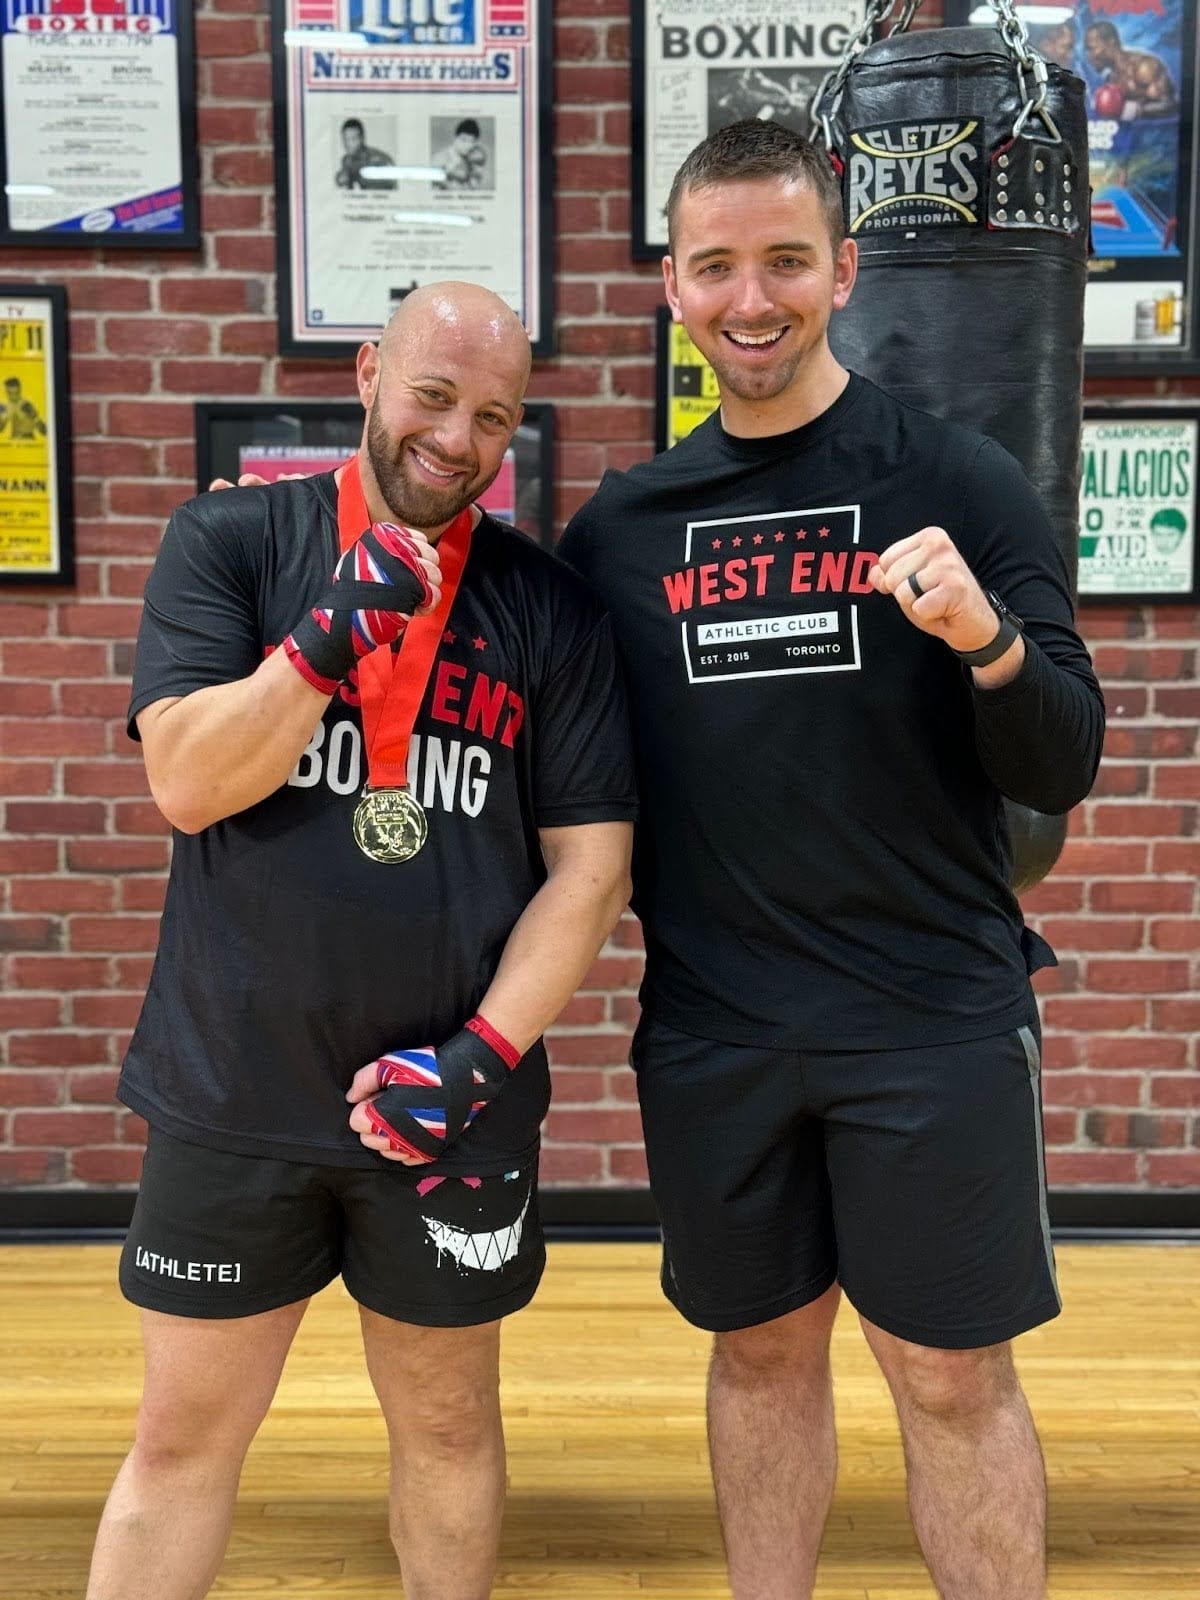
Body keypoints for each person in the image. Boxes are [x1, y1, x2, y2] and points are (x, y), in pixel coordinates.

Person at [559, 120, 1104, 1600]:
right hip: (718, 1028)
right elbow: (487, 653)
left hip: (927, 1019)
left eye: (787, 261)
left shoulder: (962, 480)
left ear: (845, 270)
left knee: (946, 1376)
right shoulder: (622, 531)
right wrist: (292, 541)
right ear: (672, 285)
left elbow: (1065, 761)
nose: (754, 298)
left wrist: (982, 638)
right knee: (759, 1353)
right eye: (718, 264)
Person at [86, 281, 637, 1600]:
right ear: (368, 373)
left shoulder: (546, 611)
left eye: (494, 417)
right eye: (435, 397)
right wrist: (321, 644)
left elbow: (593, 868)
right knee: (181, 1440)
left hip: (449, 1111)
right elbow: (187, 784)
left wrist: (482, 1057)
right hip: (235, 1090)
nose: (459, 441)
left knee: (448, 1428)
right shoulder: (231, 543)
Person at [335, 116, 398, 189]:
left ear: (362, 139)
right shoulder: (346, 160)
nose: (348, 144)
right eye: (345, 139)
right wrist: (340, 178)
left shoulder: (379, 159)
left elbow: (392, 187)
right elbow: (342, 181)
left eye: (353, 139)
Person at [434, 118, 489, 189]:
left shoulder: (474, 160)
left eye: (471, 141)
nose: (467, 145)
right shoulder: (440, 157)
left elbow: (473, 188)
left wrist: (477, 171)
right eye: (463, 139)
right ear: (455, 138)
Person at [0, 375, 47, 439]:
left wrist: (35, 418)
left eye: (16, 393)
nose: (13, 397)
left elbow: (44, 431)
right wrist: (4, 419)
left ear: (20, 390)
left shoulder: (26, 405)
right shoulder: (4, 406)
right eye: (10, 393)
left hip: (28, 442)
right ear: (6, 392)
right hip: (14, 442)